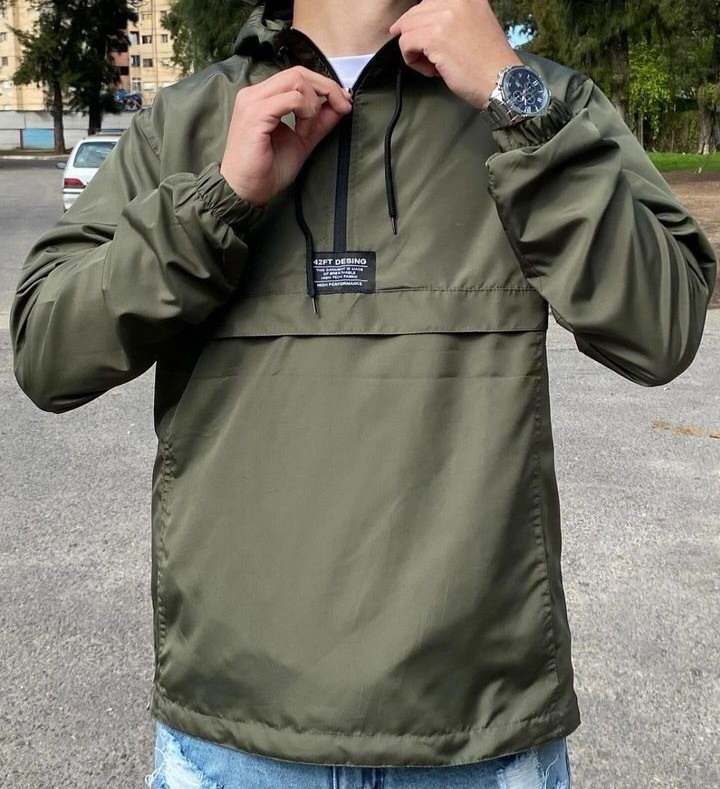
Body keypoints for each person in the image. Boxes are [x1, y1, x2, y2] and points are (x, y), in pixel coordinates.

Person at [11, 0, 716, 787]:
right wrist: (219, 201)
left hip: (478, 730)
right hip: (237, 731)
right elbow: (49, 354)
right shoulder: (189, 119)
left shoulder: (538, 98)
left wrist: (514, 99)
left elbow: (660, 329)